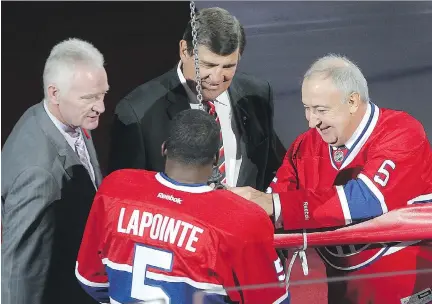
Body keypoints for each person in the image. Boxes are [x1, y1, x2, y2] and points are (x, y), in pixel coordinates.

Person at [229, 54, 432, 304]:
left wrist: (276, 204)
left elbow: (365, 199)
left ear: (353, 101)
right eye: (306, 108)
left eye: (320, 110)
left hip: (407, 294)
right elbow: (270, 207)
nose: (311, 121)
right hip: (342, 295)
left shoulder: (402, 132)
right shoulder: (305, 146)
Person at [75, 109, 290, 304]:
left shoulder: (116, 189)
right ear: (215, 158)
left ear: (164, 148)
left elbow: (92, 280)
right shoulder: (242, 219)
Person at [108, 7, 285, 191]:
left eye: (229, 66)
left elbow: (269, 170)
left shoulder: (257, 94)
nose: (216, 78)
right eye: (208, 65)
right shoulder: (138, 112)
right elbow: (125, 194)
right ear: (185, 50)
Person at [1, 38, 108, 304]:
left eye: (103, 94)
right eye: (90, 98)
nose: (101, 107)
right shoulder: (39, 174)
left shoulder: (59, 115)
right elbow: (19, 270)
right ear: (54, 93)